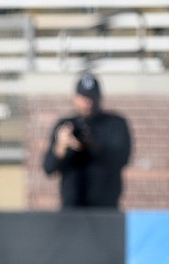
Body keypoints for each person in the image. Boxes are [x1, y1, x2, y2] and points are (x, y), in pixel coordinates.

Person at [42, 72, 131, 209]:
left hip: (106, 207)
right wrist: (61, 147)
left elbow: (122, 159)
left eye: (92, 97)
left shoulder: (115, 124)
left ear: (99, 97)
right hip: (72, 209)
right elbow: (48, 168)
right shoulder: (66, 125)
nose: (88, 102)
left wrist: (93, 144)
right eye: (84, 97)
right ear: (75, 98)